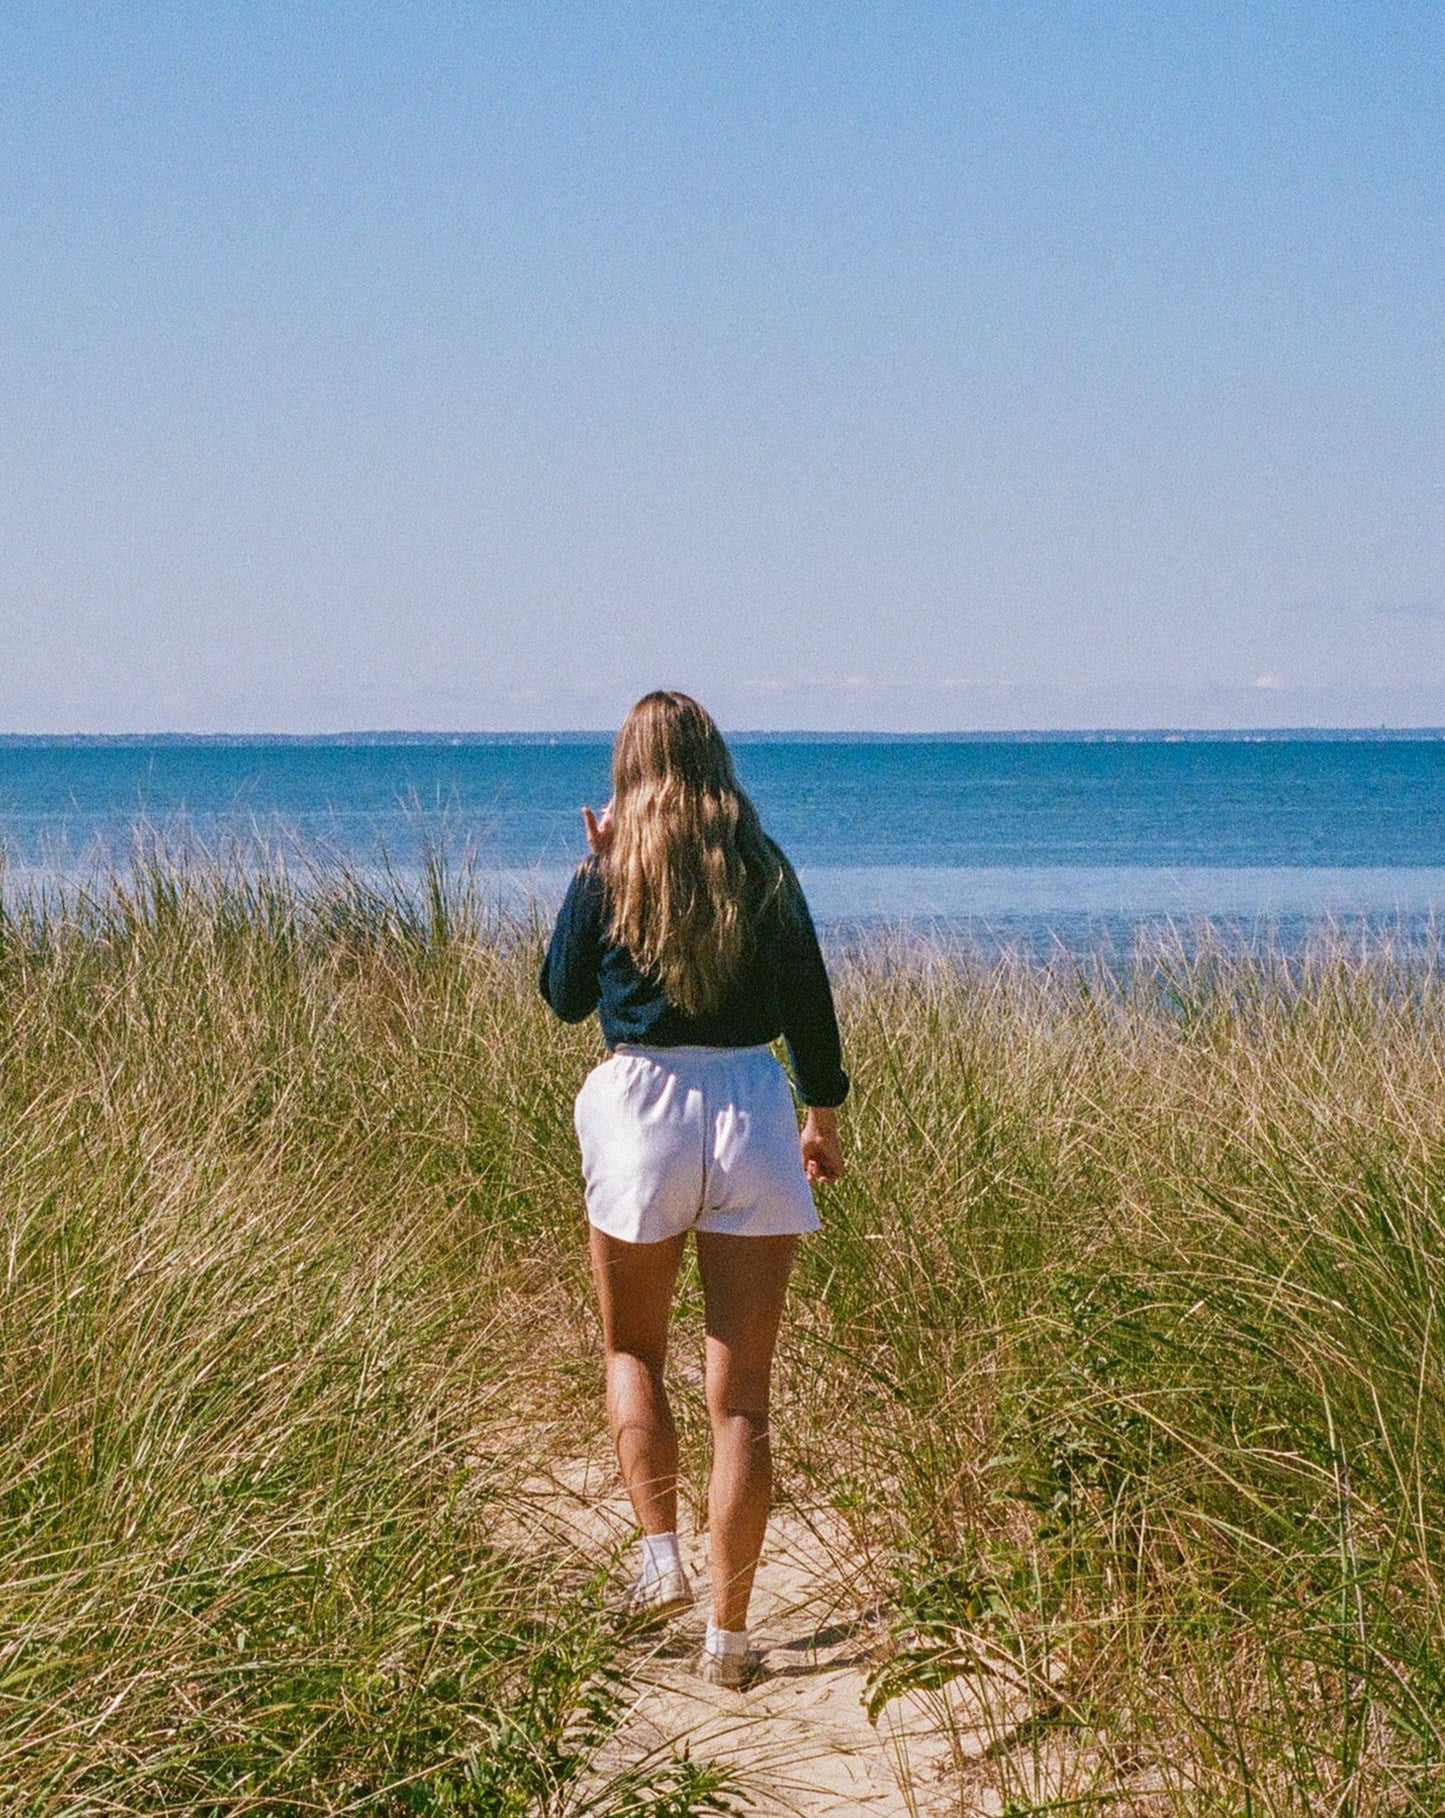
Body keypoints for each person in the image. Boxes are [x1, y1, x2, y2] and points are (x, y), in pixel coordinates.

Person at [539, 690, 848, 1689]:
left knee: (631, 1344)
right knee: (741, 1399)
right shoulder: (760, 863)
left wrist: (592, 866)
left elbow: (562, 997)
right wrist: (822, 1113)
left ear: (625, 765)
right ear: (716, 762)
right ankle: (728, 1638)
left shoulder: (612, 864)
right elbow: (806, 992)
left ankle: (658, 1556)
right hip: (749, 1106)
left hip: (639, 1108)